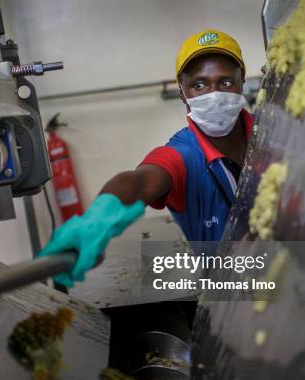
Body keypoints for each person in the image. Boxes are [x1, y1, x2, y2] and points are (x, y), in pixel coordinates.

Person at [39, 29, 253, 287]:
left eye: (226, 82)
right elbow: (138, 181)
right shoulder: (183, 155)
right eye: (199, 84)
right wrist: (98, 220)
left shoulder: (274, 135)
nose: (214, 94)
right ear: (182, 92)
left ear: (242, 82)